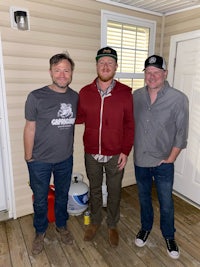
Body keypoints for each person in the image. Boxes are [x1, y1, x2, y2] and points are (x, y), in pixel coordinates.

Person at [76, 46, 134, 247]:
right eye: (102, 62)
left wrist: (125, 151)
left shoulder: (125, 93)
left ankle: (112, 224)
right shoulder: (84, 92)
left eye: (110, 62)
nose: (106, 66)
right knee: (94, 189)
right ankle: (95, 221)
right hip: (91, 152)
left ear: (116, 66)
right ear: (96, 66)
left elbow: (129, 125)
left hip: (115, 154)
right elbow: (78, 117)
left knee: (114, 190)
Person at [133, 55, 189, 259]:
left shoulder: (178, 98)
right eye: (148, 72)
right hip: (140, 159)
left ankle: (169, 236)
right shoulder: (136, 96)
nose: (152, 76)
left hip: (164, 161)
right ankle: (145, 227)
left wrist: (171, 158)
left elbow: (182, 133)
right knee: (144, 198)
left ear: (165, 74)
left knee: (166, 201)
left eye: (157, 72)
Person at [23, 52, 78, 255]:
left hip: (65, 159)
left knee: (62, 195)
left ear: (71, 73)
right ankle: (40, 232)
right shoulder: (36, 96)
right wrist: (29, 157)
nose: (62, 74)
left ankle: (62, 226)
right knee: (40, 198)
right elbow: (30, 127)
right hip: (40, 161)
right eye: (58, 70)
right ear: (50, 72)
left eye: (66, 70)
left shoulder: (74, 97)